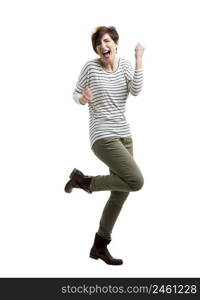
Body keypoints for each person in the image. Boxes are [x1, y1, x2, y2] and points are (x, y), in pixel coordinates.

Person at [64, 26, 145, 265]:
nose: (102, 46)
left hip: (125, 137)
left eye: (106, 41)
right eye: (98, 44)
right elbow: (75, 94)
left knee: (120, 195)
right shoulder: (91, 67)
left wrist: (139, 58)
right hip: (102, 136)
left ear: (115, 44)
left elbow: (137, 91)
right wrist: (82, 99)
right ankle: (85, 182)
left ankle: (99, 246)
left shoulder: (127, 66)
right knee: (136, 181)